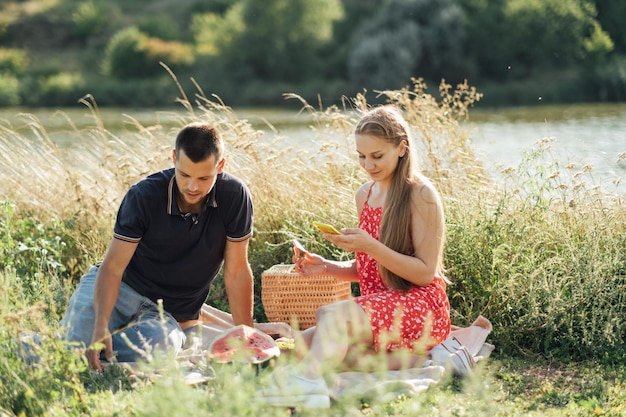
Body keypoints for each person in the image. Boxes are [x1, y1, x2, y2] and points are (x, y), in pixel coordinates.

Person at [257, 105, 451, 408]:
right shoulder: (365, 194)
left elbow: (425, 273)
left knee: (329, 316)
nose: (367, 164)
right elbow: (373, 270)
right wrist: (326, 266)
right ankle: (408, 359)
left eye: (377, 156)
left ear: (401, 148)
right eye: (361, 156)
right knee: (299, 346)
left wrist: (370, 245)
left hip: (420, 306)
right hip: (380, 308)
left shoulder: (421, 195)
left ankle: (308, 386)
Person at [59, 122, 261, 371]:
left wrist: (249, 338)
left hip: (165, 313)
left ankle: (94, 361)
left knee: (163, 347)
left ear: (220, 166)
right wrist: (101, 325)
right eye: (184, 175)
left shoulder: (235, 197)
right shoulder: (144, 196)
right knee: (70, 348)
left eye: (203, 178)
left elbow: (237, 272)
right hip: (122, 288)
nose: (192, 187)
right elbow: (112, 268)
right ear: (174, 158)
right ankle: (75, 352)